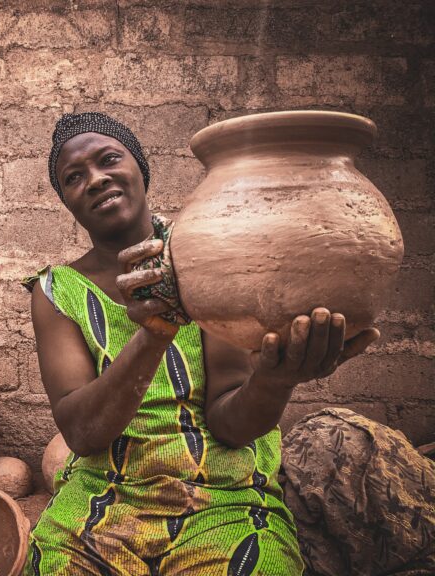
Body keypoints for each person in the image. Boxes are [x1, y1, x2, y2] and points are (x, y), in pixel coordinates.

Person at [21, 112, 383, 575]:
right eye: (74, 177)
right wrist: (154, 334)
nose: (95, 179)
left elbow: (231, 422)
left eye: (109, 159)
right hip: (106, 497)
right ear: (66, 200)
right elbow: (82, 434)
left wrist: (274, 381)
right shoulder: (55, 292)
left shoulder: (210, 257)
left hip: (221, 498)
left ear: (139, 167)